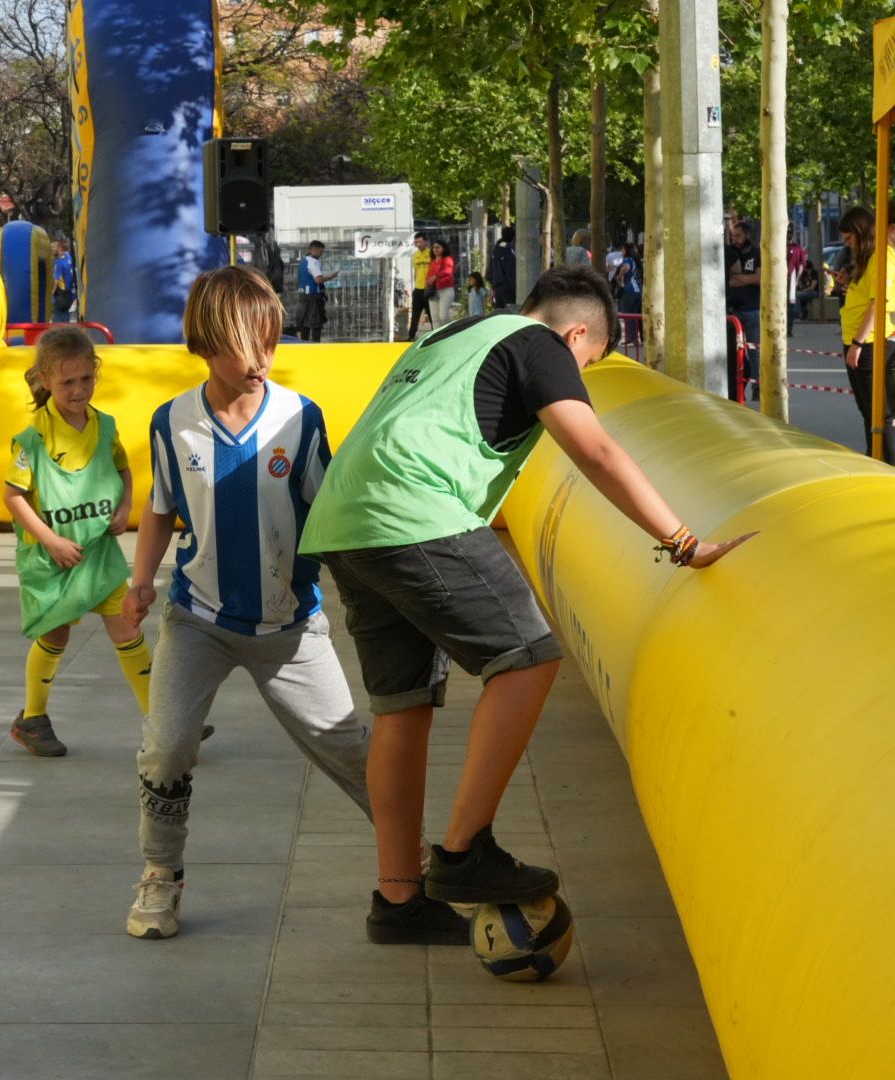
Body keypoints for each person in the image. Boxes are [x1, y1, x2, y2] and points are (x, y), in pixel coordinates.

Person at [300, 266, 753, 915]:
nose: (581, 374)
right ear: (576, 335)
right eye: (589, 364)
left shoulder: (451, 334)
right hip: (416, 511)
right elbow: (594, 449)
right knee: (529, 657)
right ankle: (463, 854)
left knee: (401, 706)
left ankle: (399, 898)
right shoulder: (540, 346)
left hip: (346, 521)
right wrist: (685, 543)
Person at [122, 267, 428, 946]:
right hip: (196, 621)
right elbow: (160, 509)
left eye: (273, 342)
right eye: (248, 346)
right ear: (204, 342)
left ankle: (417, 864)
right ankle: (160, 875)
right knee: (166, 748)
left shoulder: (300, 417)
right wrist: (141, 582)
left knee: (352, 752)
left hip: (291, 629)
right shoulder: (171, 423)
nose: (264, 360)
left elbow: (335, 512)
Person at [1, 325, 150, 757]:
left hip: (98, 552)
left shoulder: (105, 427)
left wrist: (124, 507)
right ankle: (32, 718)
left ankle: (161, 722)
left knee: (127, 627)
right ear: (45, 380)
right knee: (58, 634)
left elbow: (122, 469)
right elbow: (13, 496)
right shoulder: (34, 439)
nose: (78, 389)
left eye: (86, 379)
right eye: (67, 382)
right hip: (55, 559)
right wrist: (50, 541)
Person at [834, 206, 895, 462]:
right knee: (868, 410)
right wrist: (848, 284)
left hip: (870, 343)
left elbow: (877, 303)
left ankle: (886, 462)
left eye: (850, 239)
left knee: (878, 412)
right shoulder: (867, 259)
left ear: (861, 232)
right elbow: (867, 297)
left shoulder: (882, 257)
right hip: (859, 342)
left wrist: (858, 343)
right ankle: (876, 457)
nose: (848, 245)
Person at [726, 220, 762, 400]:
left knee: (755, 352)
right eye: (733, 236)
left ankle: (758, 388)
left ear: (747, 235)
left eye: (738, 236)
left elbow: (759, 278)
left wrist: (740, 278)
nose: (735, 239)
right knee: (733, 353)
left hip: (753, 310)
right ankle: (739, 389)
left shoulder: (756, 253)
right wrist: (748, 278)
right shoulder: (731, 253)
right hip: (734, 310)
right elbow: (729, 280)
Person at [295, 239, 338, 342]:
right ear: (315, 250)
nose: (321, 254)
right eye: (321, 251)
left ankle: (304, 344)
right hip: (312, 296)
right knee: (316, 323)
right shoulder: (313, 262)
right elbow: (318, 280)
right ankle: (316, 345)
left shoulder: (304, 261)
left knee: (304, 322)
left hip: (303, 295)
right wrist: (331, 276)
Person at [614, 243, 643, 345]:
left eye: (622, 249)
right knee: (634, 315)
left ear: (625, 250)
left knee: (628, 315)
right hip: (638, 290)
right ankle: (634, 338)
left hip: (629, 290)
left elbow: (625, 268)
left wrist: (618, 276)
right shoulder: (636, 260)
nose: (621, 252)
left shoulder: (626, 260)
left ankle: (630, 338)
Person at [426, 240, 456, 330]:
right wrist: (428, 281)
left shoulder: (447, 259)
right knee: (434, 318)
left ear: (444, 248)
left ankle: (449, 332)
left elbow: (448, 271)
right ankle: (436, 337)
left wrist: (436, 276)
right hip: (433, 291)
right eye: (434, 247)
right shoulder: (432, 261)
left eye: (438, 247)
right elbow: (428, 274)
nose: (436, 249)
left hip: (445, 290)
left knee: (443, 316)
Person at [407, 233, 432, 340]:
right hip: (418, 288)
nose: (418, 244)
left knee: (432, 315)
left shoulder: (432, 253)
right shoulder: (415, 255)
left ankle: (436, 335)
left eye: (420, 242)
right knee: (415, 315)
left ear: (426, 241)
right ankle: (411, 336)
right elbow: (415, 272)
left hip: (430, 289)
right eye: (416, 242)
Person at [488, 226, 517, 311]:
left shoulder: (495, 249)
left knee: (499, 313)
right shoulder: (508, 251)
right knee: (510, 313)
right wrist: (514, 290)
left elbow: (490, 270)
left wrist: (492, 285)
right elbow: (510, 272)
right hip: (507, 289)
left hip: (497, 287)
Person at [787, 228, 808, 336]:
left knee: (790, 305)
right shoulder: (779, 247)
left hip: (791, 279)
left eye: (790, 233)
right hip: (780, 280)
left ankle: (789, 329)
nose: (789, 236)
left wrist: (797, 279)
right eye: (787, 234)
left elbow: (801, 265)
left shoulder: (798, 248)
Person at [50, 237, 76, 323]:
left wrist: (50, 294)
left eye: (55, 247)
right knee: (65, 318)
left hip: (62, 295)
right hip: (71, 294)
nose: (54, 250)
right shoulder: (69, 257)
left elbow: (56, 281)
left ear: (60, 248)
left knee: (59, 321)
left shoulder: (59, 263)